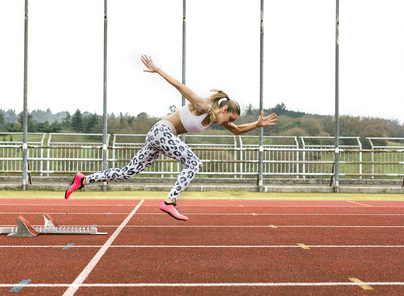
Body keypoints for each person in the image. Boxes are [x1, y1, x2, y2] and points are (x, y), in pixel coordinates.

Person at [65, 55, 278, 221]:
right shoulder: (203, 106)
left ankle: (82, 180)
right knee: (194, 162)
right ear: (223, 109)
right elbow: (179, 85)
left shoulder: (215, 120)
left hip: (160, 137)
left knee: (128, 172)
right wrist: (158, 70)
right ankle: (170, 202)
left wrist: (257, 125)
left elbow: (237, 130)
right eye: (228, 117)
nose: (227, 122)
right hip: (162, 132)